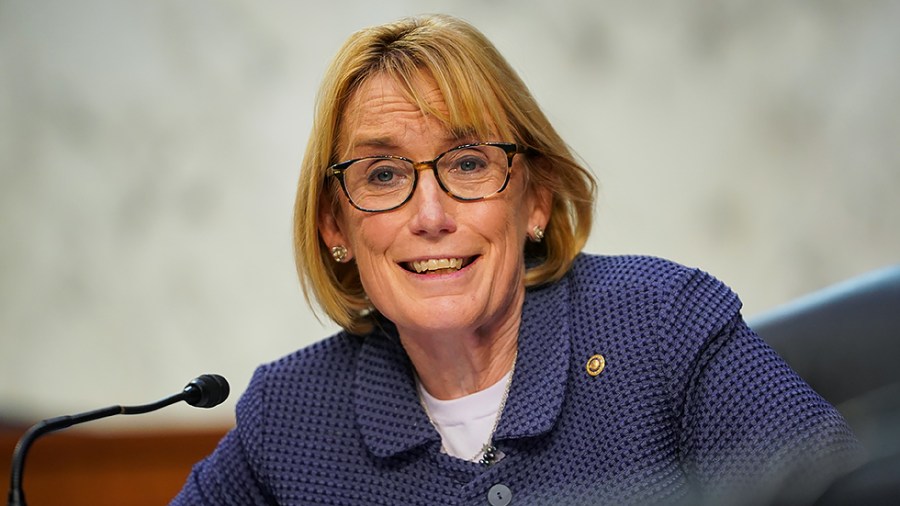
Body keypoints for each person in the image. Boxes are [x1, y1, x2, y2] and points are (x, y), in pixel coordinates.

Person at [172, 14, 861, 505]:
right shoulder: (290, 418)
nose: (430, 215)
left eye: (468, 163)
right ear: (335, 226)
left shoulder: (660, 326)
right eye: (382, 175)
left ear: (536, 199)